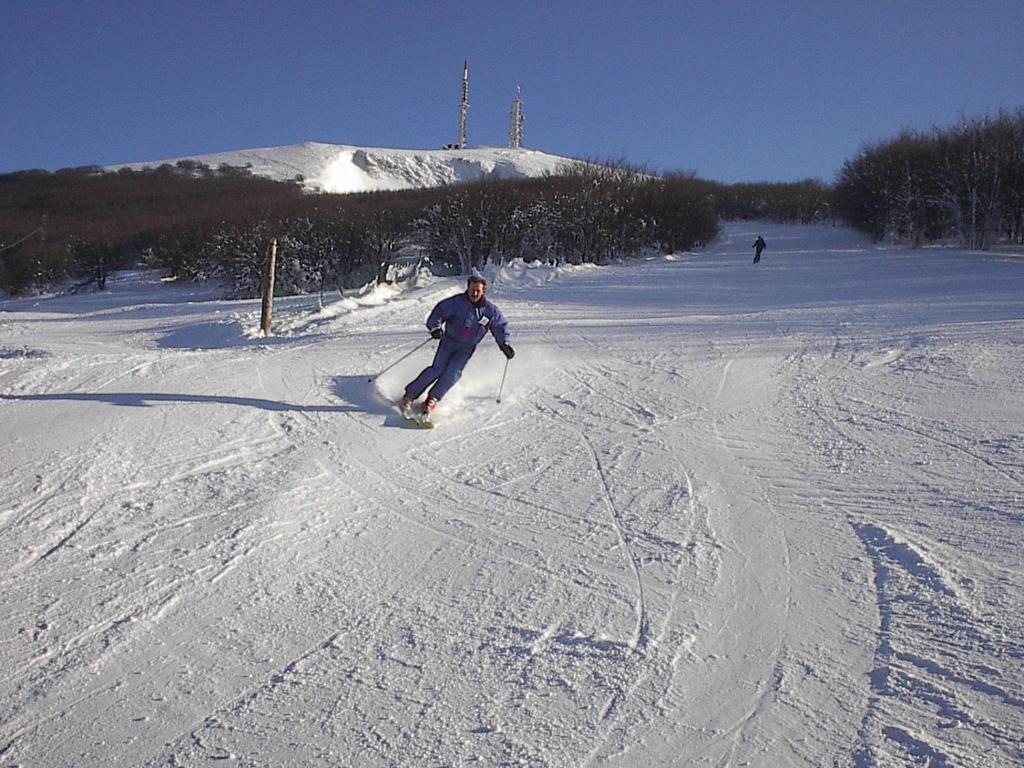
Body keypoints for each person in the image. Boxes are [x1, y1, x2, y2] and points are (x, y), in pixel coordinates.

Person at [401, 272, 514, 417]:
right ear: (467, 288)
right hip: (449, 341)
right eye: (472, 289)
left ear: (483, 291)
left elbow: (500, 326)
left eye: (478, 290)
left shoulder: (490, 310)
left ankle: (432, 398)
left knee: (453, 373)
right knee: (437, 369)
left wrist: (504, 344)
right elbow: (439, 312)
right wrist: (435, 328)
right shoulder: (456, 302)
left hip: (466, 348)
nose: (474, 293)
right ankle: (410, 395)